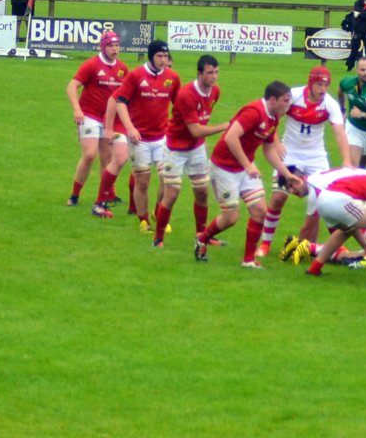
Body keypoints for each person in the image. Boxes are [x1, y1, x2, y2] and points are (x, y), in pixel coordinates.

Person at [195, 81, 303, 267]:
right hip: (224, 167)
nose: (288, 105)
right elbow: (231, 137)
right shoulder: (254, 112)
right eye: (285, 101)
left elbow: (268, 149)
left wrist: (286, 174)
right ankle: (202, 239)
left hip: (245, 167)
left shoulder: (274, 117)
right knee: (231, 217)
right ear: (272, 99)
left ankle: (248, 260)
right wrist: (248, 165)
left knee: (260, 211)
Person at [258, 65, 351, 258]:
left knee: (323, 202)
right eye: (319, 84)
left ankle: (317, 246)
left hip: (316, 157)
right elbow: (272, 117)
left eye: (326, 85)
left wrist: (347, 161)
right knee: (278, 197)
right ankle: (265, 244)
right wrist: (276, 143)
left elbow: (339, 133)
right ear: (310, 83)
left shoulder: (330, 104)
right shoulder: (293, 96)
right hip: (290, 154)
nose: (323, 89)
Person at [152, 54, 227, 247]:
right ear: (199, 73)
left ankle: (202, 236)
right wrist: (224, 126)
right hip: (175, 149)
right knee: (172, 194)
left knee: (202, 193)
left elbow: (202, 121)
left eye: (216, 72)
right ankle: (158, 238)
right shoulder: (186, 94)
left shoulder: (215, 91)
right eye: (209, 72)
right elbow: (195, 130)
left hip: (197, 148)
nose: (214, 76)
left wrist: (203, 141)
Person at [107, 39, 180, 234]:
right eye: (159, 56)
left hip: (162, 138)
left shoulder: (173, 77)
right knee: (143, 181)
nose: (163, 60)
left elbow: (179, 106)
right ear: (151, 56)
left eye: (165, 56)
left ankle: (158, 212)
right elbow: (120, 102)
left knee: (167, 177)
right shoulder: (136, 75)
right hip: (139, 140)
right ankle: (144, 220)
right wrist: (130, 128)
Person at [65, 30, 129, 217]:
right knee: (90, 154)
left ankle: (108, 195)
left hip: (109, 119)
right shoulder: (92, 64)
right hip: (89, 115)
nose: (115, 49)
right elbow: (72, 86)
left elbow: (126, 95)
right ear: (103, 47)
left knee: (107, 158)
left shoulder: (122, 68)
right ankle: (75, 195)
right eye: (111, 46)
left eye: (117, 45)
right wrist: (77, 109)